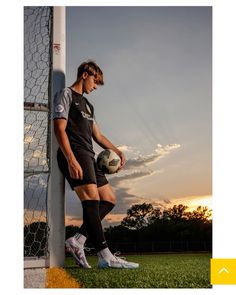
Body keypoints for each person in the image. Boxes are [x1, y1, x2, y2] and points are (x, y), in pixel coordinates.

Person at [53, 60, 139, 269]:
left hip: (89, 156)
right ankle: (105, 256)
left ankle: (78, 240)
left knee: (109, 199)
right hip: (74, 153)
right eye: (95, 81)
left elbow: (98, 135)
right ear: (85, 74)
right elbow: (59, 129)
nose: (95, 87)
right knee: (91, 199)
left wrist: (118, 151)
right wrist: (71, 159)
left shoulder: (88, 105)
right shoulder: (66, 94)